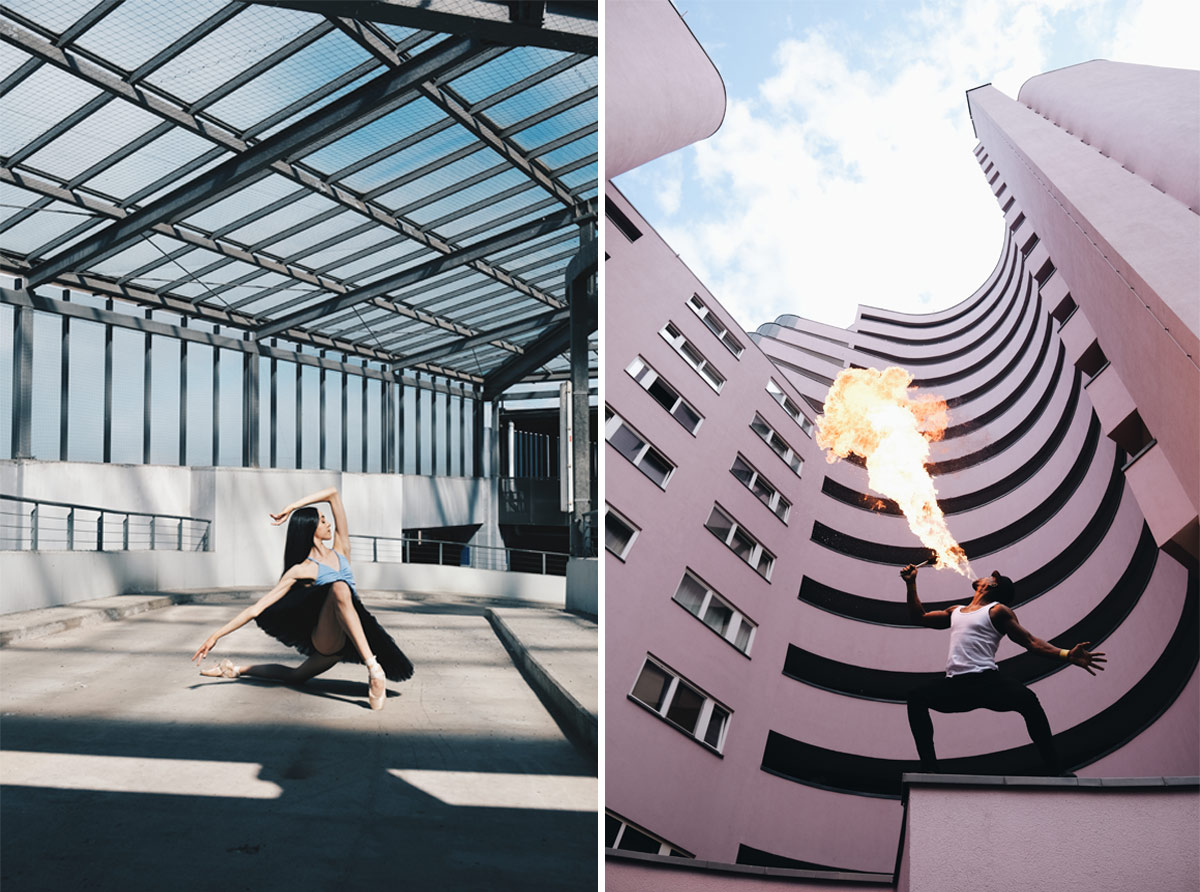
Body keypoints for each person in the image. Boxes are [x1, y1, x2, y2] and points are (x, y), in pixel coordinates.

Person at [192, 487, 413, 710]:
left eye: (326, 519)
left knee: (295, 676)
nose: (329, 524)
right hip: (328, 639)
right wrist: (216, 635)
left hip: (354, 636)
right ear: (310, 528)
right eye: (322, 520)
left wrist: (292, 507)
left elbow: (333, 494)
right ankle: (374, 669)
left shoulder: (341, 548)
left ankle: (233, 669)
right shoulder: (301, 570)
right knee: (338, 587)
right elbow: (255, 609)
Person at [901, 563, 1105, 775]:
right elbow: (919, 617)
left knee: (1029, 701)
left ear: (992, 584)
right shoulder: (956, 611)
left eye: (989, 576)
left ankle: (1055, 769)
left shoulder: (997, 611)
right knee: (916, 697)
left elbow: (1031, 642)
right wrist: (911, 584)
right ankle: (930, 771)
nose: (984, 576)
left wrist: (1066, 654)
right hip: (956, 684)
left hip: (986, 681)